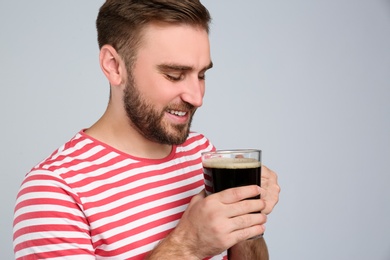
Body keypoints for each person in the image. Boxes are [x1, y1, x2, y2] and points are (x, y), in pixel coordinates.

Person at [13, 0, 280, 259]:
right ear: (114, 66)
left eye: (201, 75)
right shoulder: (54, 190)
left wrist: (247, 221)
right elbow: (191, 246)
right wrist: (187, 246)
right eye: (174, 75)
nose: (197, 97)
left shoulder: (201, 152)